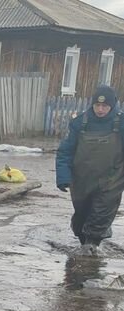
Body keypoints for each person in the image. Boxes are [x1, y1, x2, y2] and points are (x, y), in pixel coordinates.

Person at [56, 85, 124, 255]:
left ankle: (92, 249)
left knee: (100, 215)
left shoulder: (121, 123)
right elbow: (65, 151)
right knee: (80, 219)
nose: (100, 109)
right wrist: (63, 176)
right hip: (82, 179)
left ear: (113, 105)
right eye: (97, 105)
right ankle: (85, 243)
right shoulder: (80, 123)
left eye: (105, 106)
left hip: (111, 180)